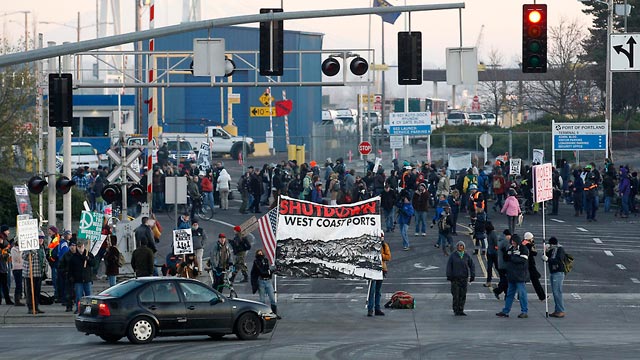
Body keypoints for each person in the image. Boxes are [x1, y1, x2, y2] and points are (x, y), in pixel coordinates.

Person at [496, 234, 530, 319]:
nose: (512, 243)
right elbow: (507, 258)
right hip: (512, 275)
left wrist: (512, 257)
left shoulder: (523, 249)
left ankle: (524, 311)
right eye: (512, 241)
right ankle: (505, 311)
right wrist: (506, 254)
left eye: (514, 241)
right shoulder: (511, 248)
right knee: (509, 294)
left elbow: (523, 260)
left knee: (522, 294)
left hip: (519, 275)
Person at [446, 241, 475, 316]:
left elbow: (472, 266)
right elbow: (449, 266)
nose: (460, 247)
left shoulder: (466, 255)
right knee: (456, 295)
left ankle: (461, 309)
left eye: (461, 245)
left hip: (464, 278)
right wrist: (449, 275)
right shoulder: (453, 256)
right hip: (455, 278)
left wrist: (472, 275)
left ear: (464, 247)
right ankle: (456, 310)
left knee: (463, 295)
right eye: (458, 245)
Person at [250, 248, 280, 318]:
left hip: (268, 281)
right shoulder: (256, 262)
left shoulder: (266, 260)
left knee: (272, 298)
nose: (260, 255)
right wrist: (270, 271)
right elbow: (261, 271)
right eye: (259, 253)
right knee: (262, 300)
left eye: (261, 253)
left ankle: (274, 314)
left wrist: (271, 271)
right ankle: (262, 314)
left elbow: (267, 269)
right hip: (261, 281)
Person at [22, 232, 47, 314]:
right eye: (39, 238)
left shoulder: (41, 248)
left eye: (42, 238)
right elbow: (24, 257)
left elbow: (44, 259)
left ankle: (36, 307)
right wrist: (30, 252)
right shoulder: (29, 247)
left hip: (38, 273)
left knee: (37, 292)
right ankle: (30, 307)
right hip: (30, 273)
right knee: (30, 292)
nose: (41, 240)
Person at [68, 241, 96, 314]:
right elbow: (70, 268)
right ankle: (79, 308)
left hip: (87, 278)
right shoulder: (74, 257)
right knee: (78, 296)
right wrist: (71, 277)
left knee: (88, 295)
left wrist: (88, 259)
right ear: (77, 247)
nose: (81, 249)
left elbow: (94, 263)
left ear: (84, 246)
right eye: (79, 247)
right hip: (78, 279)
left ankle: (89, 309)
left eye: (82, 247)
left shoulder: (88, 254)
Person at [367, 234, 391, 317]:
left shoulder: (384, 245)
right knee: (372, 290)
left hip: (381, 270)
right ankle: (370, 309)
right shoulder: (370, 245)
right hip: (372, 270)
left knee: (378, 291)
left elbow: (388, 257)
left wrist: (380, 255)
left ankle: (377, 308)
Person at [542, 236, 567, 318]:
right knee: (555, 292)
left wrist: (548, 259)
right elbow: (545, 256)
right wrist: (545, 251)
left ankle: (561, 310)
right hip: (553, 272)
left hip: (558, 272)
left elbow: (558, 260)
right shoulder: (552, 250)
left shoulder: (560, 250)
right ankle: (557, 310)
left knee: (557, 292)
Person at [523, 232, 546, 301]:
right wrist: (533, 244)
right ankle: (542, 296)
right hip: (530, 265)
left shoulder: (523, 243)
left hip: (525, 264)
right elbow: (534, 253)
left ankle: (542, 296)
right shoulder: (529, 245)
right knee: (535, 281)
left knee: (523, 281)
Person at [493, 229, 512, 300]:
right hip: (505, 265)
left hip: (500, 263)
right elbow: (508, 253)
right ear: (507, 235)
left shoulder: (500, 240)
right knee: (506, 280)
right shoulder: (505, 242)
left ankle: (506, 295)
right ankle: (498, 291)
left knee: (503, 280)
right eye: (509, 236)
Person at [0, 225, 14, 305]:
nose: (8, 232)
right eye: (7, 230)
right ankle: (7, 299)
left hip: (3, 264)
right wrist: (6, 254)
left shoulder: (4, 239)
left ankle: (6, 299)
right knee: (4, 283)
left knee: (4, 283)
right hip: (2, 265)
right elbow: (3, 250)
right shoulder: (2, 239)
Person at [484, 222, 499, 288]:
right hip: (490, 252)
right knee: (489, 268)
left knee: (497, 267)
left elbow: (496, 243)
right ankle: (488, 281)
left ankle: (504, 279)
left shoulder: (492, 234)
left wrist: (495, 250)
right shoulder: (489, 233)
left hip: (494, 253)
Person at [10, 240, 24, 306]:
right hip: (17, 268)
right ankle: (17, 300)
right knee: (18, 284)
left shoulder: (23, 249)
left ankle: (21, 296)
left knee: (21, 284)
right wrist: (21, 252)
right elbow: (17, 259)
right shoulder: (13, 249)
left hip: (23, 267)